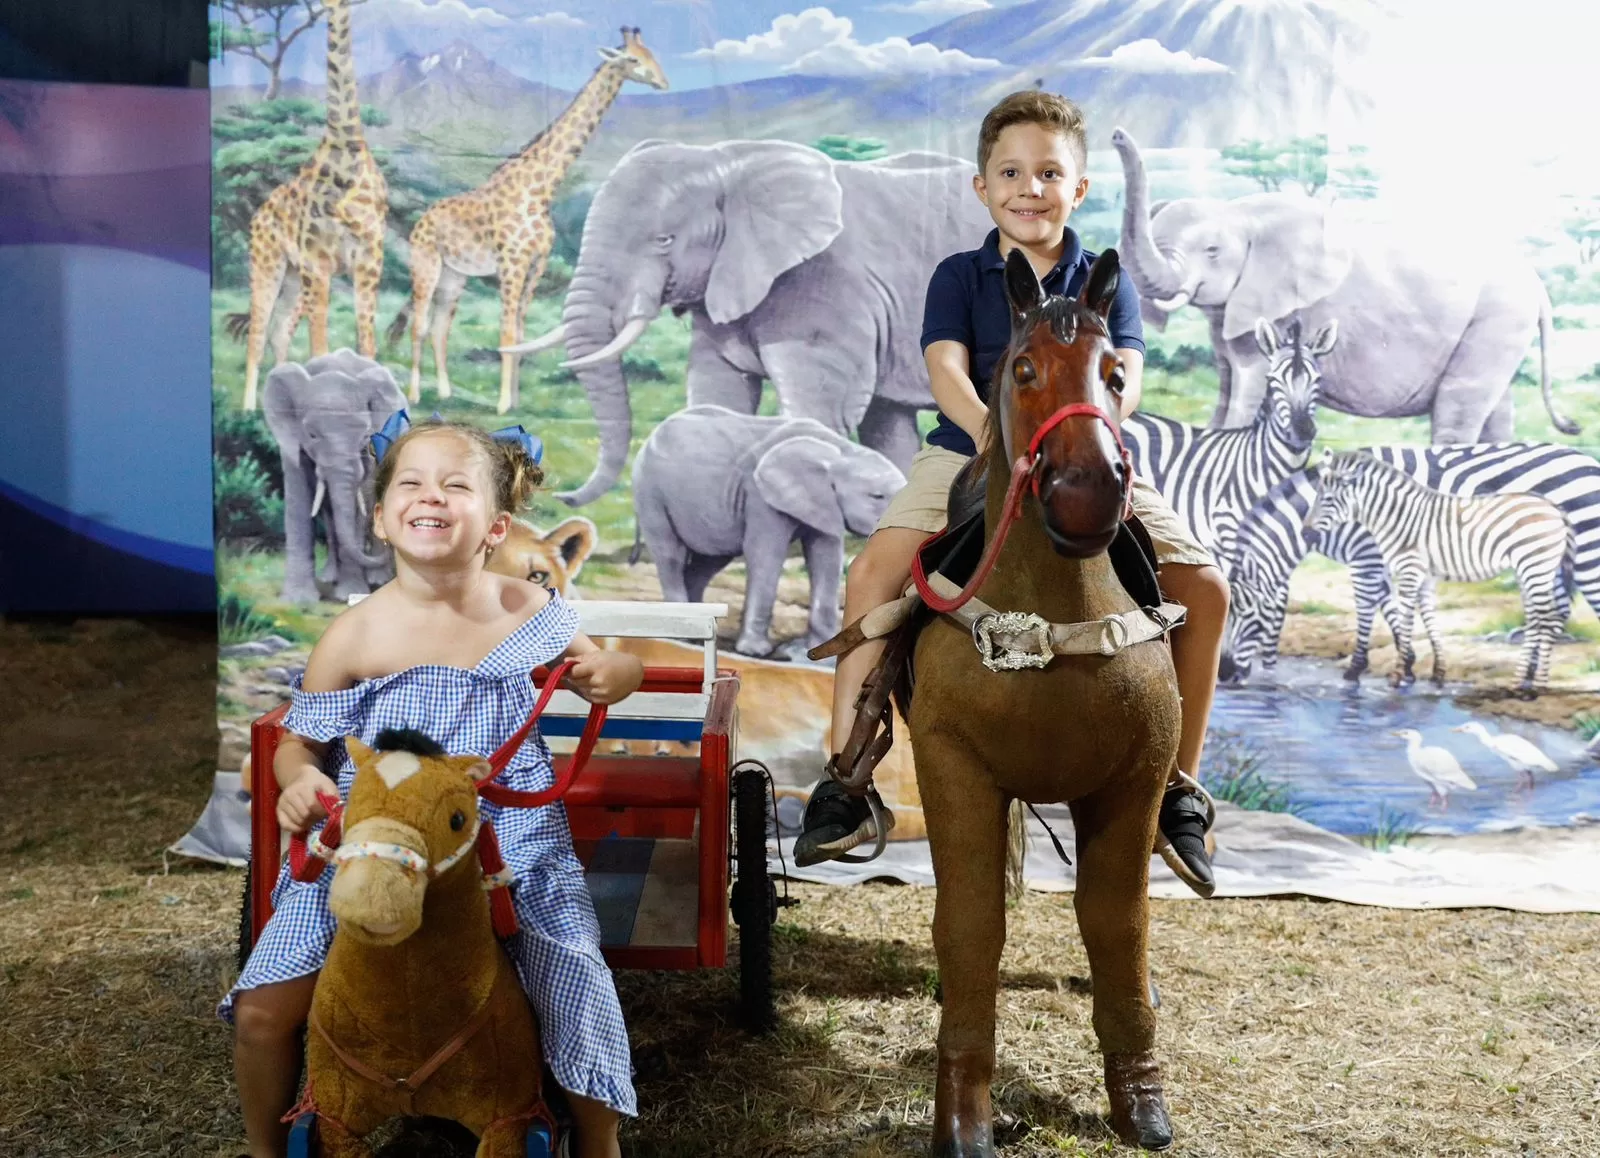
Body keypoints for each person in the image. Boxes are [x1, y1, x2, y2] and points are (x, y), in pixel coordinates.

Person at [793, 90, 1229, 897]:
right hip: (970, 449)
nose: (1031, 188)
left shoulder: (1106, 279)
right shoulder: (960, 276)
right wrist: (992, 434)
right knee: (873, 576)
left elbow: (1123, 373)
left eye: (1050, 173)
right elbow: (946, 369)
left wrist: (1092, 429)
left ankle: (1177, 787)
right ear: (982, 187)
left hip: (1081, 452)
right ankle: (848, 781)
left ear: (1080, 189)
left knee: (1203, 585)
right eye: (1012, 172)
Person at [220, 417, 644, 1158]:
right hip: (373, 839)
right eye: (411, 484)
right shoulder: (354, 635)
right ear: (382, 519)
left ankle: (600, 1138)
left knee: (571, 972)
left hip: (507, 841)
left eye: (457, 486)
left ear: (496, 524)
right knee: (262, 1008)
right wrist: (301, 783)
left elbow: (610, 669)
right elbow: (298, 744)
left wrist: (616, 675)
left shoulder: (529, 610)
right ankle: (263, 1145)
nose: (432, 497)